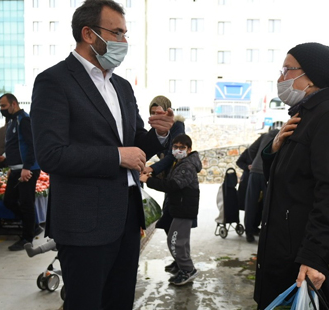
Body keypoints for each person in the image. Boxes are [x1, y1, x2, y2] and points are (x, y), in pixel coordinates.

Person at [29, 1, 174, 309]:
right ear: (89, 34)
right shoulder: (54, 81)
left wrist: (159, 133)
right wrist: (115, 157)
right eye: (117, 32)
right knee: (86, 303)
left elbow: (135, 147)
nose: (123, 41)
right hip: (83, 223)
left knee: (119, 301)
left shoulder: (121, 86)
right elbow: (51, 154)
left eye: (125, 33)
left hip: (126, 217)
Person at [254, 43, 329, 310]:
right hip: (286, 252)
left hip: (304, 261)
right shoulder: (303, 117)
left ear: (311, 76)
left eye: (288, 70)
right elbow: (286, 183)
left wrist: (315, 257)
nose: (280, 79)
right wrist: (273, 149)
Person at [140, 134, 202, 286]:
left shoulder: (187, 166)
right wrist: (153, 174)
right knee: (181, 241)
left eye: (182, 148)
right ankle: (182, 265)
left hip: (183, 209)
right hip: (179, 208)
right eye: (175, 147)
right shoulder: (179, 162)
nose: (178, 150)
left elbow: (172, 185)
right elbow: (169, 180)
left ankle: (188, 269)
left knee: (175, 242)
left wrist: (148, 180)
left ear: (189, 149)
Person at [0, 93, 43, 251]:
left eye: (4, 106)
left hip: (27, 170)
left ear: (14, 104)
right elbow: (15, 146)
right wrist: (9, 164)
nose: (2, 109)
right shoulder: (11, 122)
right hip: (16, 170)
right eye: (0, 106)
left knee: (26, 204)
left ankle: (27, 239)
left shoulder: (23, 119)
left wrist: (27, 167)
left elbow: (32, 145)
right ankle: (33, 225)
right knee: (9, 201)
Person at [243, 127, 279, 243]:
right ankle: (265, 234)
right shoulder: (283, 136)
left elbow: (251, 150)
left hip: (254, 172)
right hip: (268, 173)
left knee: (251, 203)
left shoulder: (264, 136)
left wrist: (256, 161)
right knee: (267, 205)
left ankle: (249, 233)